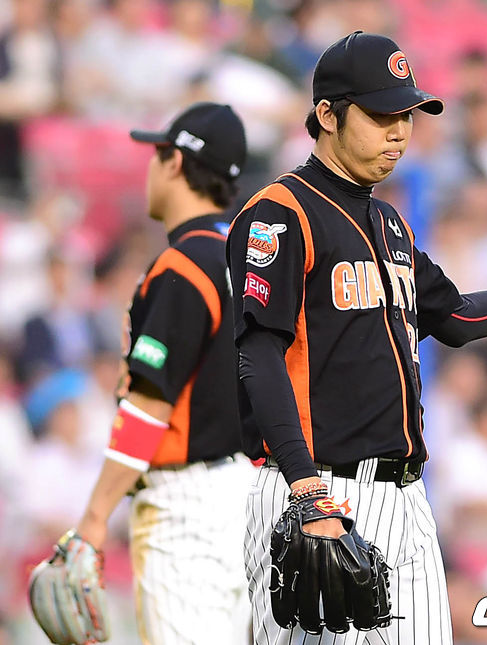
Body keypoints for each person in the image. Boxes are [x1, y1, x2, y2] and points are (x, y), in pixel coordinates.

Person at [227, 32, 487, 645]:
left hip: (406, 498)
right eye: (381, 115)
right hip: (319, 490)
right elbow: (258, 353)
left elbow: (457, 319)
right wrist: (307, 491)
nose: (399, 132)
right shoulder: (281, 213)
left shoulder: (388, 222)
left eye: (406, 115)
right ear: (327, 114)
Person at [38, 102, 254, 645]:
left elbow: (149, 406)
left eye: (158, 155)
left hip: (188, 507)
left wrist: (94, 518)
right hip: (251, 496)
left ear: (175, 162)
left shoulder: (184, 264)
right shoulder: (253, 262)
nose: (151, 168)